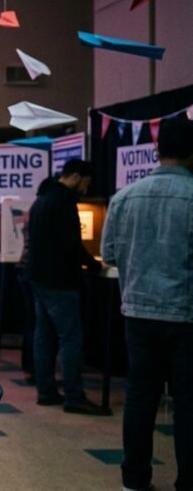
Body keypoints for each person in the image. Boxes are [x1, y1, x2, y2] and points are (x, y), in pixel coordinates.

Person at [101, 116, 193, 491]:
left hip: (137, 313)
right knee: (188, 404)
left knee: (139, 399)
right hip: (187, 315)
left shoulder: (124, 197)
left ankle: (134, 479)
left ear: (157, 149)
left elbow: (108, 254)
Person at [25, 159, 107, 415]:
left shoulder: (42, 199)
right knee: (70, 338)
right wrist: (94, 265)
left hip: (37, 277)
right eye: (86, 182)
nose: (86, 187)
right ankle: (74, 395)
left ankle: (46, 390)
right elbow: (71, 244)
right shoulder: (63, 201)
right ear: (76, 177)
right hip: (60, 280)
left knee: (43, 335)